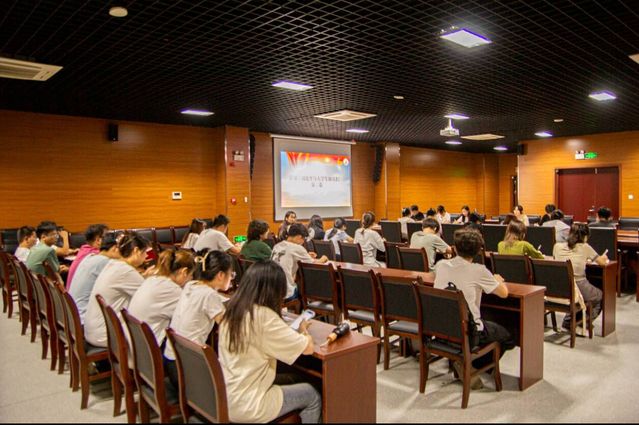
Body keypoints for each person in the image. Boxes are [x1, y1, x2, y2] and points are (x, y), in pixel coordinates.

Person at [218, 261, 321, 423]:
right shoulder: (263, 317)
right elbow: (308, 348)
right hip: (250, 405)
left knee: (294, 377)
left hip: (227, 396)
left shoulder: (232, 310)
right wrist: (304, 332)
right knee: (312, 395)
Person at [434, 228, 514, 390]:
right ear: (478, 251)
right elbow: (504, 293)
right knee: (508, 336)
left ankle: (464, 362)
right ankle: (471, 365)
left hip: (442, 327)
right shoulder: (479, 270)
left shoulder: (441, 265)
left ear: (454, 248)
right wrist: (497, 280)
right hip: (469, 331)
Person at [164, 250, 233, 388]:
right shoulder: (209, 295)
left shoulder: (191, 285)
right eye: (231, 274)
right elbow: (229, 327)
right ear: (220, 275)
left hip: (172, 361)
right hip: (187, 370)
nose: (231, 278)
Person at [84, 232, 151, 347]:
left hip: (94, 330)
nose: (146, 256)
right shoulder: (125, 271)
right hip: (105, 334)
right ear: (136, 251)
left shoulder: (114, 264)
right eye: (145, 252)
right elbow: (148, 296)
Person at [128, 249, 196, 347]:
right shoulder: (171, 289)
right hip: (150, 349)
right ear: (184, 272)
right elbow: (190, 317)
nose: (190, 279)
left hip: (137, 345)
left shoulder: (152, 280)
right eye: (191, 275)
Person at [552, 223, 608, 331]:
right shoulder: (585, 247)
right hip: (578, 285)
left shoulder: (557, 246)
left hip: (560, 287)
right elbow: (602, 262)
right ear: (585, 236)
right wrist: (604, 257)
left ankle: (568, 322)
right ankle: (581, 324)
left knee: (579, 298)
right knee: (599, 296)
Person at [69, 233, 120, 323]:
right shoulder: (104, 261)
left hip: (73, 314)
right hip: (83, 318)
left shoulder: (90, 257)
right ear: (114, 248)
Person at [271, 224, 328, 299]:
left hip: (271, 289)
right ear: (299, 237)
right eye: (303, 239)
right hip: (285, 292)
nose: (303, 242)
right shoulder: (297, 248)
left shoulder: (277, 246)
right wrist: (324, 258)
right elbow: (315, 263)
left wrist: (306, 255)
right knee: (306, 287)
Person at [66, 224, 109, 290]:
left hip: (70, 293)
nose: (110, 240)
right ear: (98, 240)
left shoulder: (83, 249)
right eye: (107, 236)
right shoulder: (96, 255)